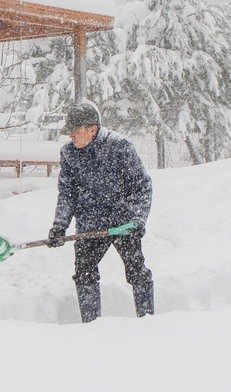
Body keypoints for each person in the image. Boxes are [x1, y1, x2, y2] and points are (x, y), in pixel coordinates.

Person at [48, 101, 154, 322]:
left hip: (124, 223)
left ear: (92, 129)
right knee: (84, 272)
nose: (72, 137)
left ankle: (147, 321)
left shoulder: (120, 147)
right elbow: (67, 193)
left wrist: (137, 220)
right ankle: (91, 324)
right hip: (90, 223)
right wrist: (59, 225)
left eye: (75, 132)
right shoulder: (69, 153)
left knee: (136, 271)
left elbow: (142, 186)